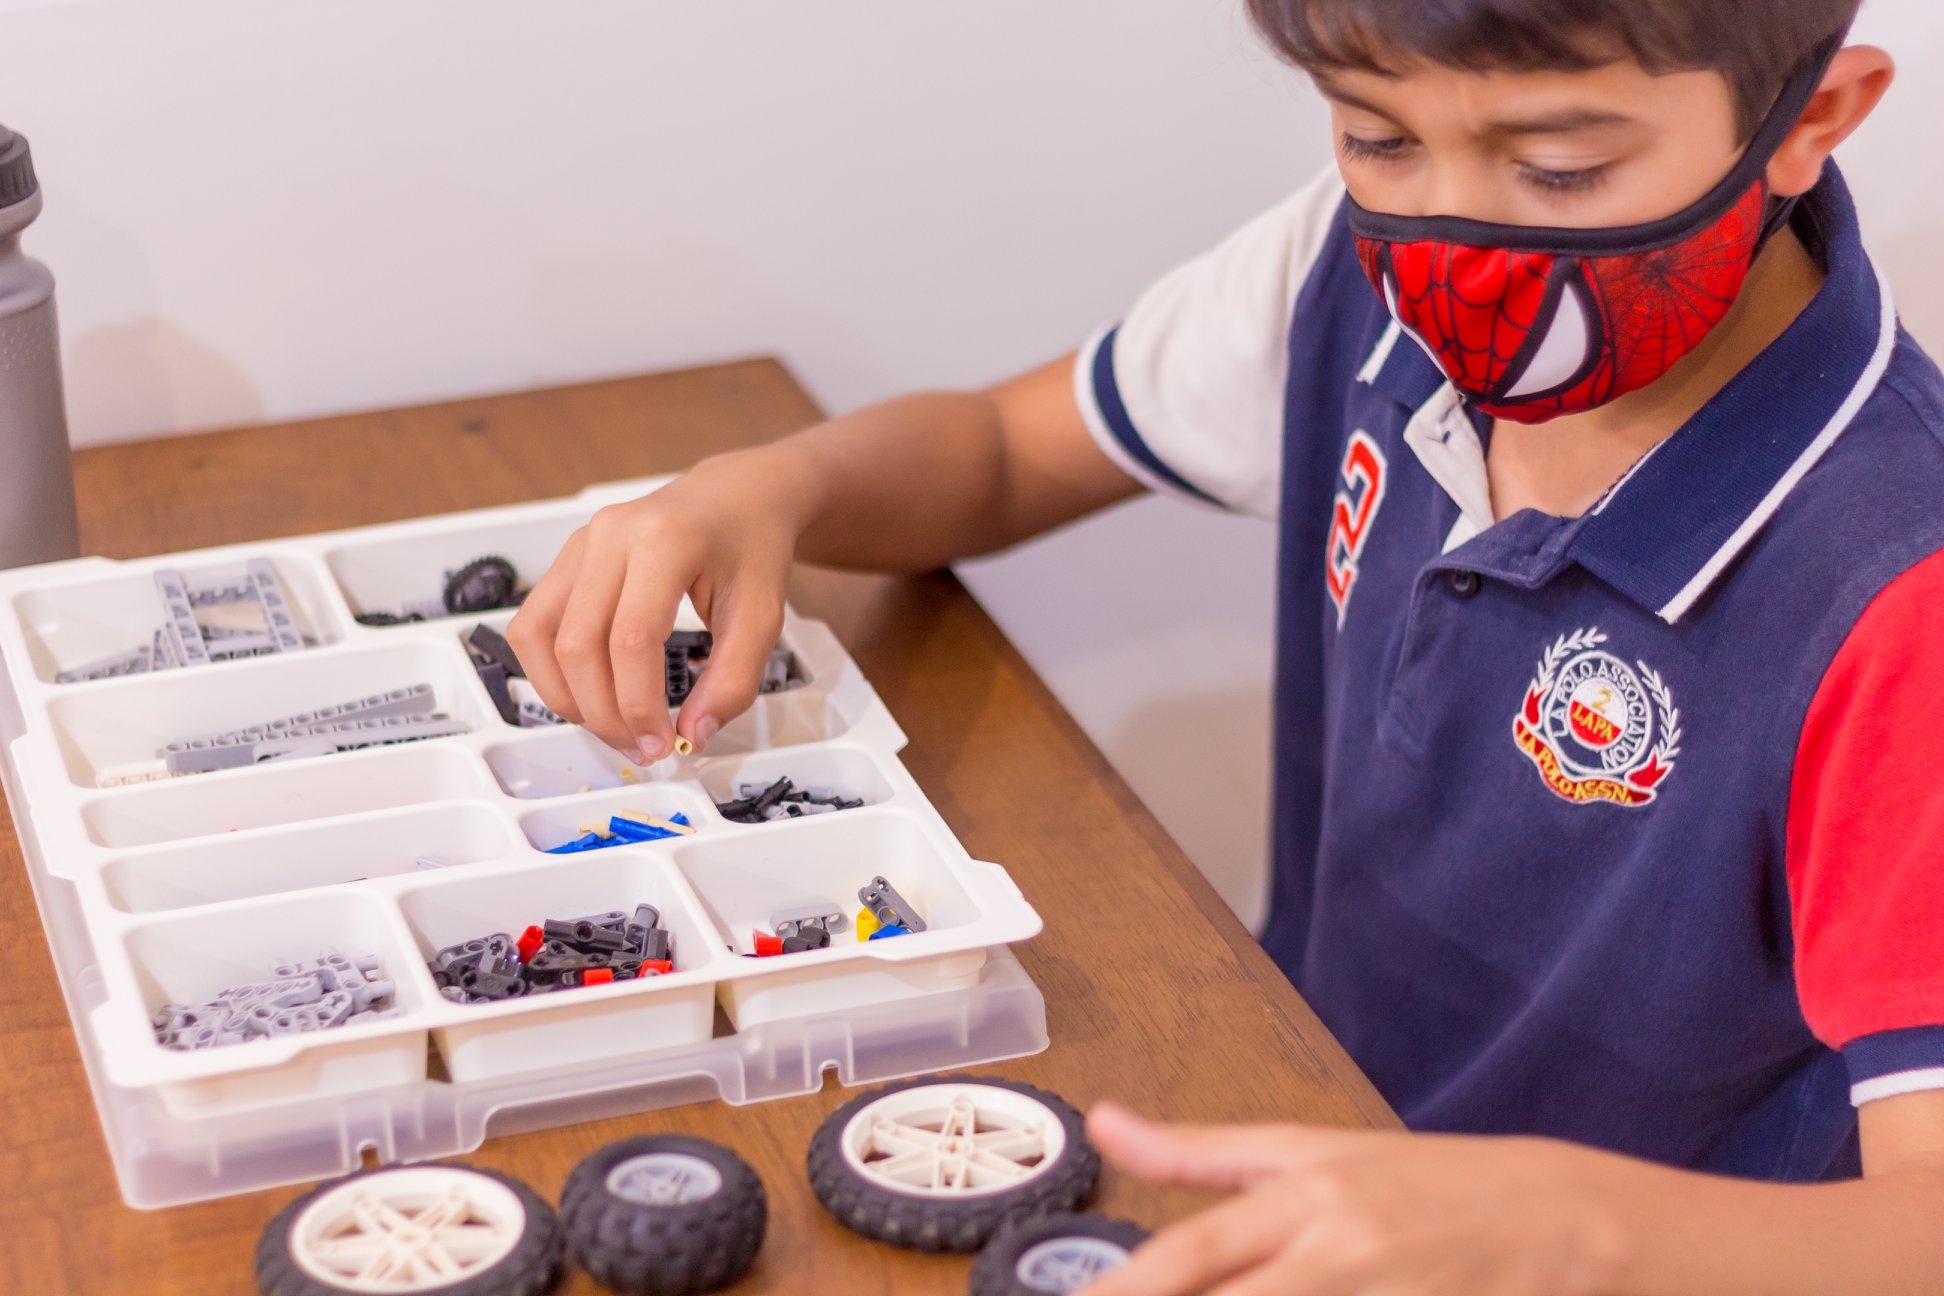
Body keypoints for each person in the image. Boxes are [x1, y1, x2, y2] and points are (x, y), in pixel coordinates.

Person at [510, 0, 1944, 1287]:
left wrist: (1568, 1232)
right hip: (1281, 1120)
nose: (1451, 237)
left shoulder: (1895, 589)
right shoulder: (1343, 273)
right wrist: (773, 487)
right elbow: (1009, 452)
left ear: (1808, 118)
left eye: (1560, 169)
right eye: (1377, 137)